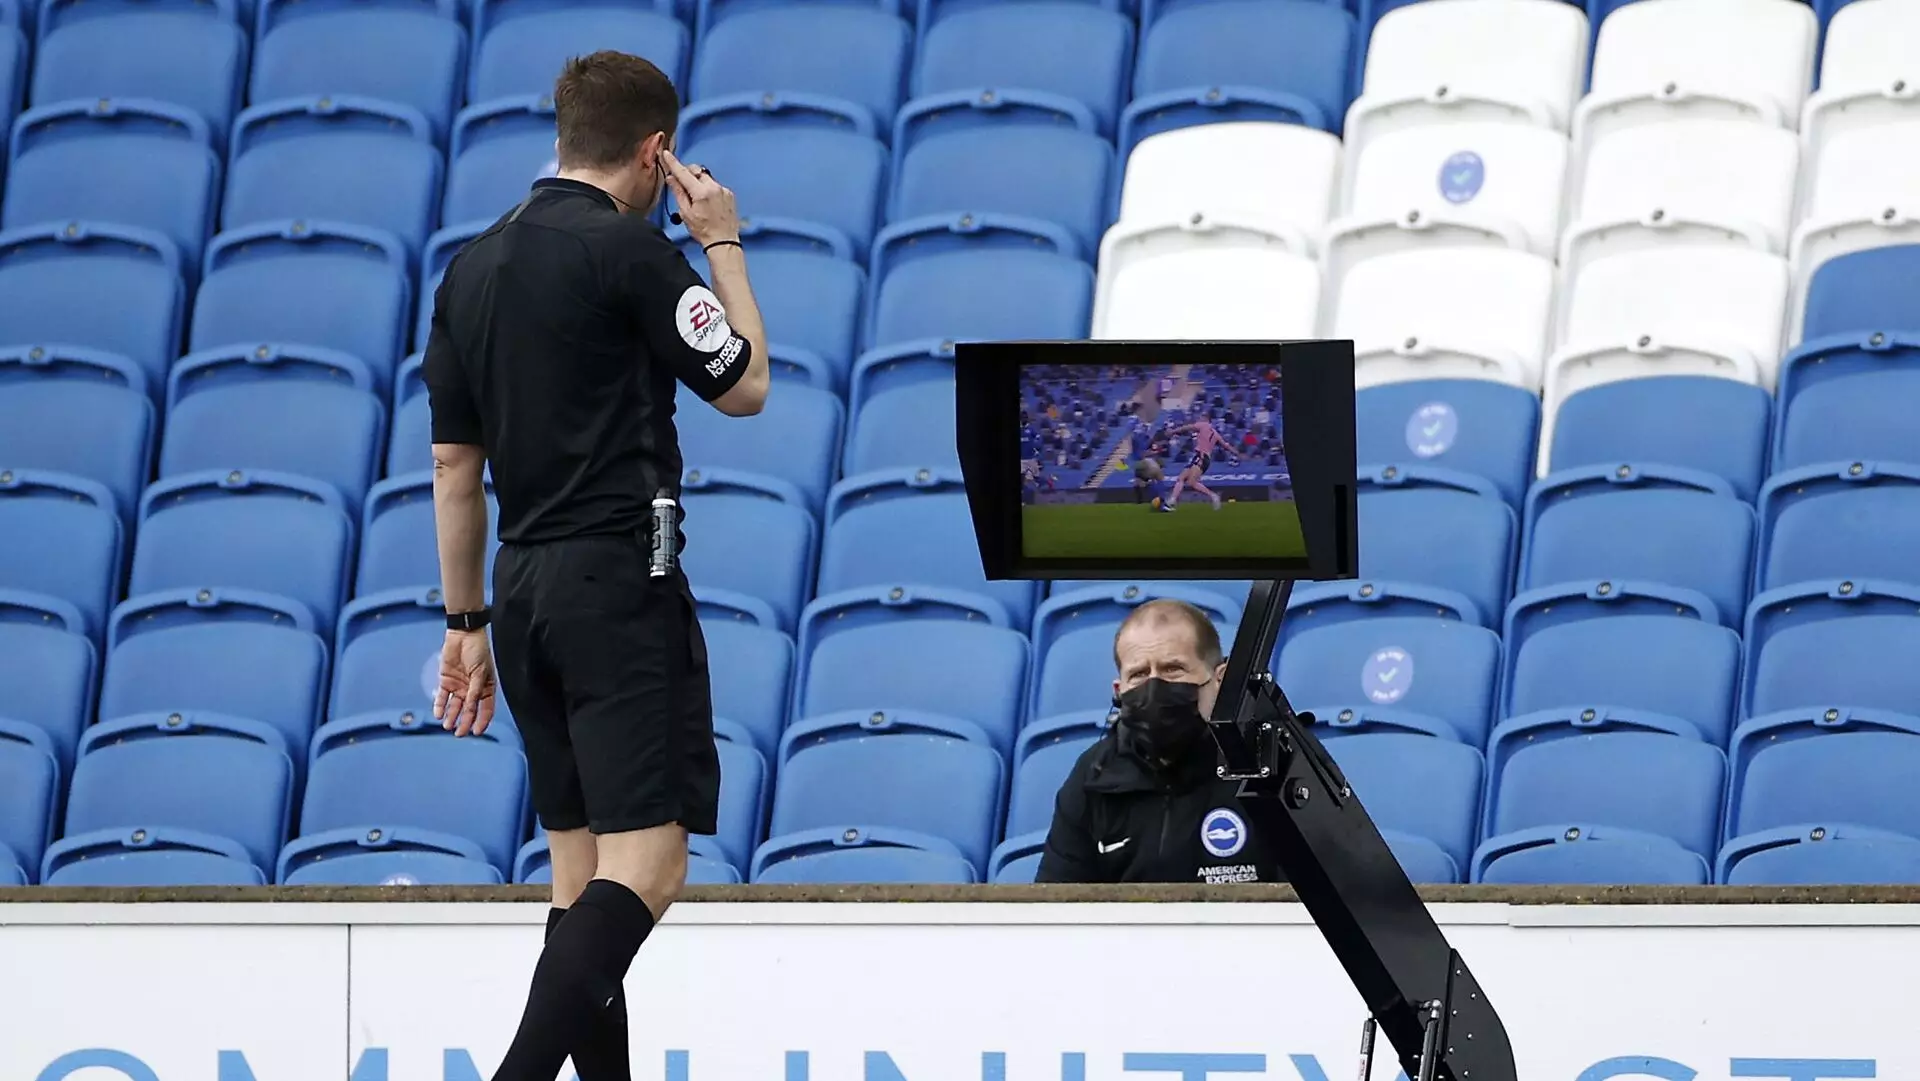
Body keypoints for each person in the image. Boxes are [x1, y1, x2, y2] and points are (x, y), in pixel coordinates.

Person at [422, 51, 770, 1081]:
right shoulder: (629, 253)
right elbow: (744, 384)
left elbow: (452, 467)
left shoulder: (471, 265)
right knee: (650, 868)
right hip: (620, 579)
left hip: (520, 592)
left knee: (578, 880)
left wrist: (466, 621)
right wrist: (725, 245)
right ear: (657, 150)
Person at [1036, 599, 1280, 884]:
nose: (1155, 687)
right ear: (1119, 690)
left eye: (1172, 669)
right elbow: (1057, 906)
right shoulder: (1094, 775)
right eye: (1139, 675)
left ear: (1220, 680)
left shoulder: (1270, 761)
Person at [1161, 417, 1240, 511]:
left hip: (1201, 456)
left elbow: (1187, 427)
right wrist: (1235, 452)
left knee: (1192, 482)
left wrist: (1173, 431)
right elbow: (1225, 445)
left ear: (1206, 420)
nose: (1199, 419)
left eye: (1201, 418)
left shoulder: (1203, 425)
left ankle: (1213, 496)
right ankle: (1172, 501)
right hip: (1203, 458)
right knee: (1181, 478)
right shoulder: (1215, 434)